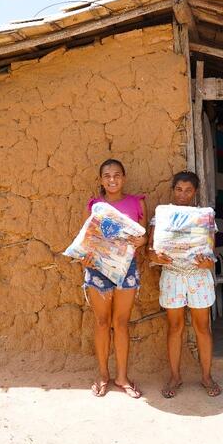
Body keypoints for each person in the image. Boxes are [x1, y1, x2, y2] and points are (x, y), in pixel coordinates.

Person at [149, 171, 222, 398]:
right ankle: (175, 376)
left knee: (202, 327)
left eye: (188, 190)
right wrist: (156, 257)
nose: (183, 195)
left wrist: (208, 262)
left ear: (195, 192)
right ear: (173, 190)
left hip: (198, 277)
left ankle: (206, 376)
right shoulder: (162, 217)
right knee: (175, 327)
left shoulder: (204, 218)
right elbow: (150, 251)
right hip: (172, 275)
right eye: (179, 189)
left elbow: (210, 253)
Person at [80, 159, 147, 399]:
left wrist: (142, 240)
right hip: (98, 270)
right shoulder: (95, 205)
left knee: (121, 323)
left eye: (117, 175)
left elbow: (143, 236)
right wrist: (86, 258)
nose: (112, 179)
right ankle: (102, 375)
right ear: (101, 180)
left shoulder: (137, 203)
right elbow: (86, 238)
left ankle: (122, 377)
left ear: (124, 178)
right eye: (107, 176)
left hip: (126, 269)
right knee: (101, 322)